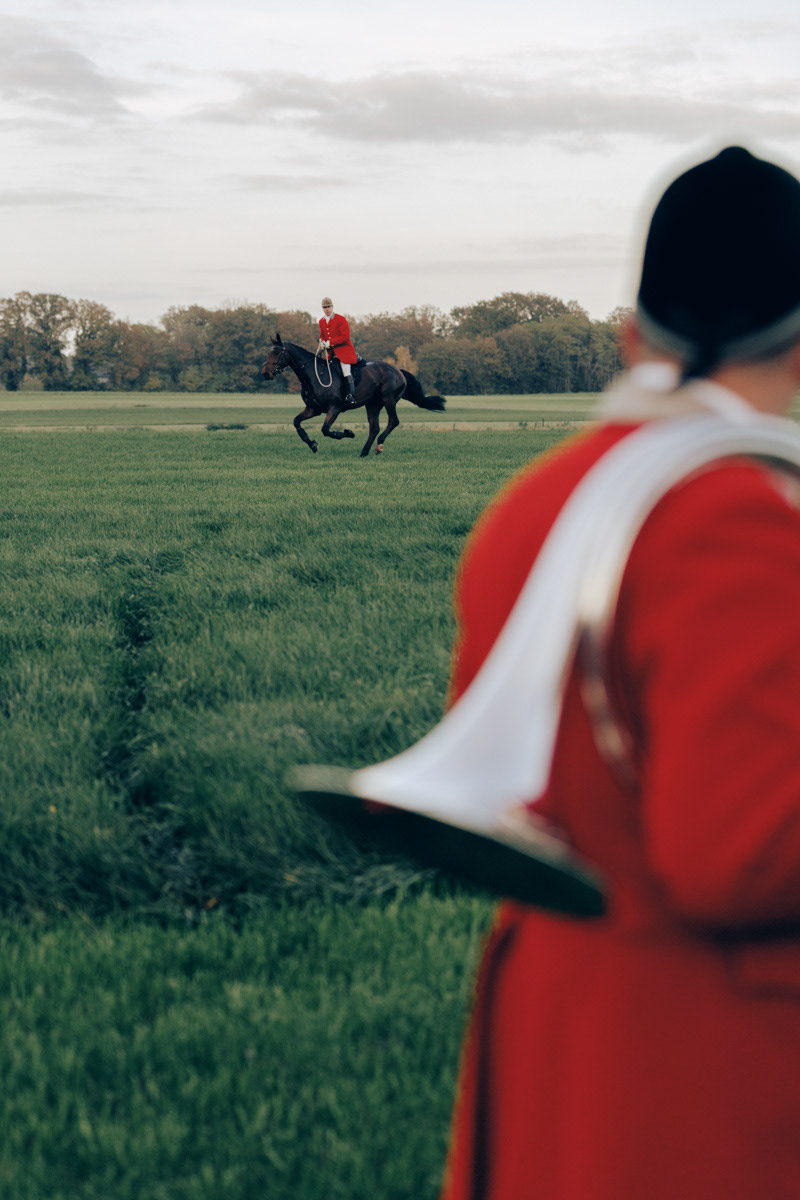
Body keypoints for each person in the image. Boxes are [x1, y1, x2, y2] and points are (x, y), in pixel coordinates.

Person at [440, 146, 800, 1200]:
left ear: (633, 331)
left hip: (557, 1023)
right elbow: (737, 858)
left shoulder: (541, 496)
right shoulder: (731, 510)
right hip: (700, 1066)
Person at [318, 297, 358, 405]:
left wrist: (330, 342)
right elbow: (322, 335)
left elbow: (345, 337)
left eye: (328, 307)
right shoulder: (321, 321)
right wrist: (322, 341)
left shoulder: (341, 319)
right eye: (324, 307)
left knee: (346, 370)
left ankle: (351, 396)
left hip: (344, 351)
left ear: (332, 307)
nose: (327, 309)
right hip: (330, 353)